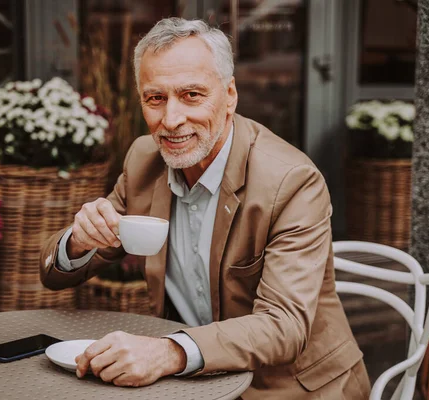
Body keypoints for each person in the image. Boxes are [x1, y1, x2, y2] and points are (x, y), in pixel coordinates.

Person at [40, 17, 370, 399]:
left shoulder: (292, 181)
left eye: (192, 95)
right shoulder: (143, 160)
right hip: (194, 385)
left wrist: (168, 351)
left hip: (293, 388)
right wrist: (77, 242)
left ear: (229, 95)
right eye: (155, 98)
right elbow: (54, 276)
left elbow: (284, 326)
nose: (171, 120)